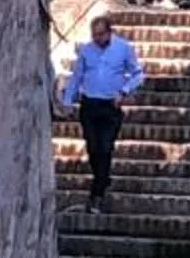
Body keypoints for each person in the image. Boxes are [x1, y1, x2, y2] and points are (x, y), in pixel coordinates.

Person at [56, 11, 145, 214]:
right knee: (93, 147)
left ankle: (98, 192)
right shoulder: (87, 51)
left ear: (109, 32)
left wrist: (124, 91)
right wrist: (68, 101)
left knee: (105, 147)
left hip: (110, 105)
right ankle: (102, 180)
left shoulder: (123, 48)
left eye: (101, 35)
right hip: (90, 104)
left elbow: (138, 74)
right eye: (94, 35)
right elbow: (76, 77)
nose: (97, 39)